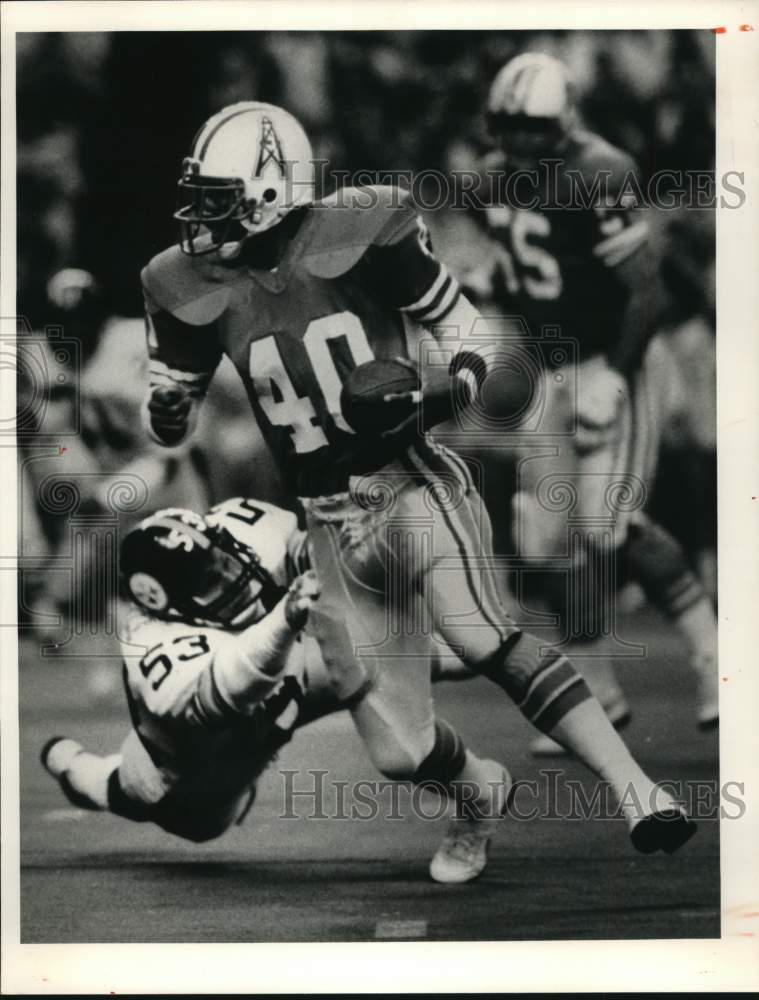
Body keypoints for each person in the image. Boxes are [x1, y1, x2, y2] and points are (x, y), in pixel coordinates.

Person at [140, 100, 696, 856]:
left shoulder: (365, 226)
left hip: (408, 479)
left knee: (481, 638)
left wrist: (432, 393)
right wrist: (168, 407)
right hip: (325, 522)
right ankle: (476, 790)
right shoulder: (181, 281)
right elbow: (168, 423)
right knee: (399, 752)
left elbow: (476, 344)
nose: (201, 218)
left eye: (219, 196)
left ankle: (639, 793)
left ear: (273, 189)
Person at [42, 497, 510, 883]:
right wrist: (284, 620)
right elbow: (234, 687)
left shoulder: (243, 525)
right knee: (145, 802)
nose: (228, 577)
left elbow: (326, 557)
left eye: (220, 560)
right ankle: (75, 767)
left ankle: (478, 791)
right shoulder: (152, 645)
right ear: (171, 608)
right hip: (202, 763)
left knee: (440, 657)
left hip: (294, 676)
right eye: (207, 582)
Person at [467, 53, 717, 751]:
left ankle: (714, 656)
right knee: (542, 539)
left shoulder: (598, 171)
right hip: (553, 368)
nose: (518, 141)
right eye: (508, 126)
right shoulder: (489, 181)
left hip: (617, 360)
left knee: (608, 523)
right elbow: (518, 282)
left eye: (532, 126)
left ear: (564, 121)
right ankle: (596, 690)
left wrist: (614, 369)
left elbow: (644, 289)